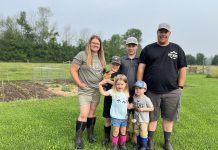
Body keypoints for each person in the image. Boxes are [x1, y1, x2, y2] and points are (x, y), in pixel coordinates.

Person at [137, 23, 187, 150]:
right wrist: (139, 85)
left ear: (169, 33)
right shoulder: (148, 49)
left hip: (172, 91)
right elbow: (141, 68)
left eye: (166, 32)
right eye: (161, 31)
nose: (163, 34)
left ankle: (167, 142)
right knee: (152, 117)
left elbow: (183, 68)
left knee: (168, 117)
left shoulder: (177, 49)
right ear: (157, 32)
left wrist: (180, 87)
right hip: (152, 91)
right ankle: (150, 141)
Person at [71, 35, 106, 149]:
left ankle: (90, 133)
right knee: (84, 114)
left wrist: (104, 81)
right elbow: (73, 69)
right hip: (85, 90)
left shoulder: (101, 58)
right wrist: (79, 83)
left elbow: (102, 74)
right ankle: (79, 138)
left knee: (92, 113)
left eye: (98, 44)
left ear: (100, 46)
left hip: (96, 90)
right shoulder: (82, 55)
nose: (96, 45)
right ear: (89, 44)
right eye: (94, 43)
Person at [99, 74, 131, 150]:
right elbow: (103, 93)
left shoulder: (126, 93)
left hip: (124, 117)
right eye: (118, 84)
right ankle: (114, 145)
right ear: (115, 84)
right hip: (116, 116)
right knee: (116, 131)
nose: (120, 86)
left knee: (123, 131)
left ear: (125, 84)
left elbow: (126, 103)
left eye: (122, 84)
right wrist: (100, 85)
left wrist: (130, 105)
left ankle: (122, 145)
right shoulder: (112, 91)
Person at [120, 36, 139, 144]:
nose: (131, 48)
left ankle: (135, 134)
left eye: (133, 46)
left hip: (137, 92)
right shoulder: (122, 60)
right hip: (125, 93)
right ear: (126, 46)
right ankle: (126, 132)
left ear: (137, 46)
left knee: (136, 115)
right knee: (125, 114)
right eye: (129, 46)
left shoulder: (141, 60)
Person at [101, 56, 121, 147]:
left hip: (118, 100)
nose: (115, 66)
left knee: (117, 120)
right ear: (110, 64)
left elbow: (120, 85)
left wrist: (109, 81)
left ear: (119, 66)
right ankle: (106, 137)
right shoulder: (107, 73)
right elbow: (103, 83)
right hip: (108, 98)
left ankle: (117, 138)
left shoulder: (121, 75)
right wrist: (104, 82)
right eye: (113, 64)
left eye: (117, 64)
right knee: (107, 118)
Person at [132, 81, 154, 150]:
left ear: (145, 90)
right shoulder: (134, 97)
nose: (137, 90)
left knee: (143, 133)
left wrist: (143, 109)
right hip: (136, 119)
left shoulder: (146, 99)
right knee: (137, 132)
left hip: (143, 120)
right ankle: (138, 144)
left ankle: (144, 146)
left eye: (140, 88)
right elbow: (133, 104)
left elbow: (152, 108)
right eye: (136, 88)